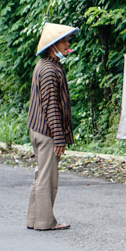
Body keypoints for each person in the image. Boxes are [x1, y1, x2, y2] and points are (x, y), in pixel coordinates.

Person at [26, 22, 78, 231]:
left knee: (41, 176)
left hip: (39, 129)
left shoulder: (47, 66)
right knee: (48, 180)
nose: (68, 45)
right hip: (47, 132)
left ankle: (34, 219)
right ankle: (46, 222)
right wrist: (59, 137)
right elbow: (51, 107)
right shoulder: (48, 70)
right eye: (64, 41)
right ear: (53, 46)